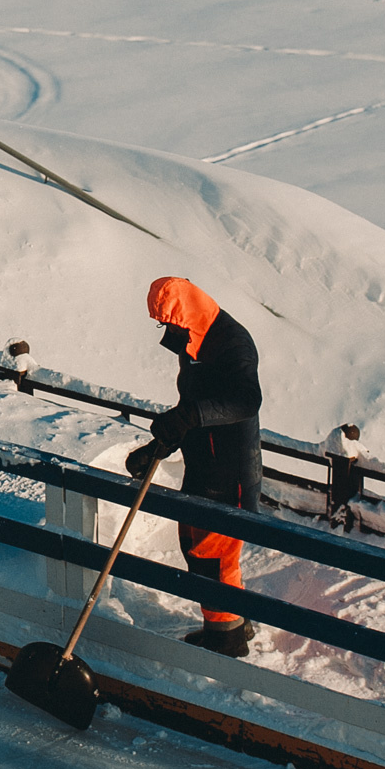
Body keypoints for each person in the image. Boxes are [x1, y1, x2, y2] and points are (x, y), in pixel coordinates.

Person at [125, 276, 263, 658]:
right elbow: (192, 411)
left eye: (168, 323)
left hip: (229, 474)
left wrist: (188, 415)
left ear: (186, 315)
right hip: (205, 464)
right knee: (200, 548)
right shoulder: (195, 344)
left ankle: (227, 638)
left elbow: (246, 401)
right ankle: (233, 619)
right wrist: (157, 447)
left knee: (211, 555)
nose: (166, 332)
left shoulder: (231, 344)